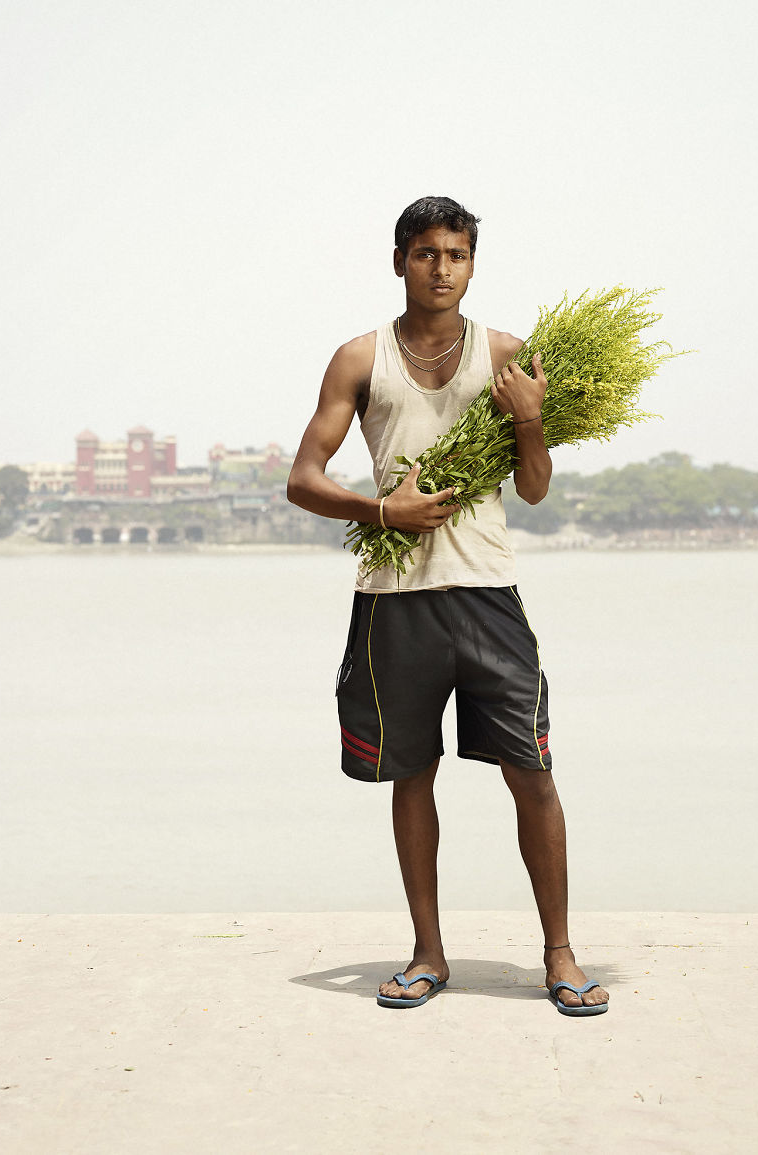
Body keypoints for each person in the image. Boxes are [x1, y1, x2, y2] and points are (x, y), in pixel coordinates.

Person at [287, 196, 609, 1016]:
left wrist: (531, 423)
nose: (440, 267)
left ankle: (561, 955)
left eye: (455, 254)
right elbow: (304, 478)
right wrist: (383, 512)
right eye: (425, 253)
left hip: (487, 589)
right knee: (411, 773)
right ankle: (429, 952)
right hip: (395, 598)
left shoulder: (504, 355)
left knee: (531, 771)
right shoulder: (359, 359)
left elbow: (533, 490)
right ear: (399, 261)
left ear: (472, 264)